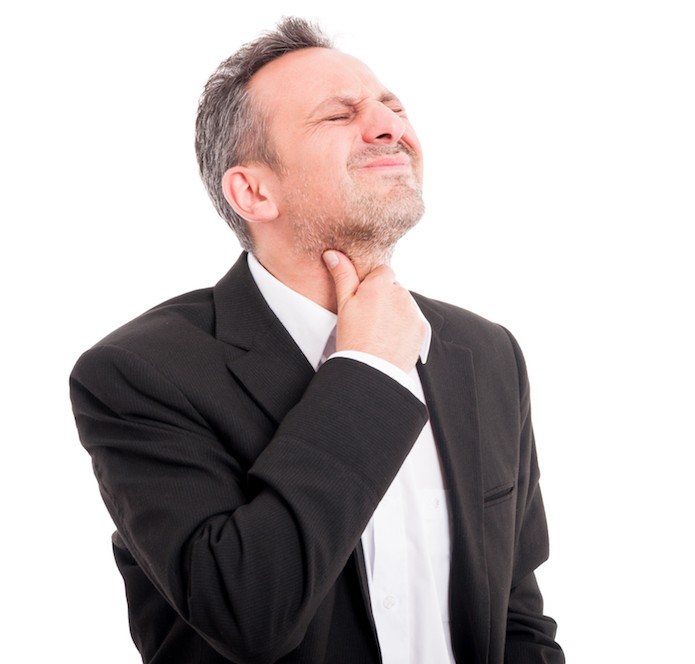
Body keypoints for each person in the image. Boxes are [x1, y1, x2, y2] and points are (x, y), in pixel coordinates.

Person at [69, 17, 563, 664]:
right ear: (253, 191)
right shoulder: (138, 375)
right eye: (338, 116)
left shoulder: (487, 354)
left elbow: (516, 618)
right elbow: (249, 614)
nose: (389, 125)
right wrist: (367, 373)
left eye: (393, 105)